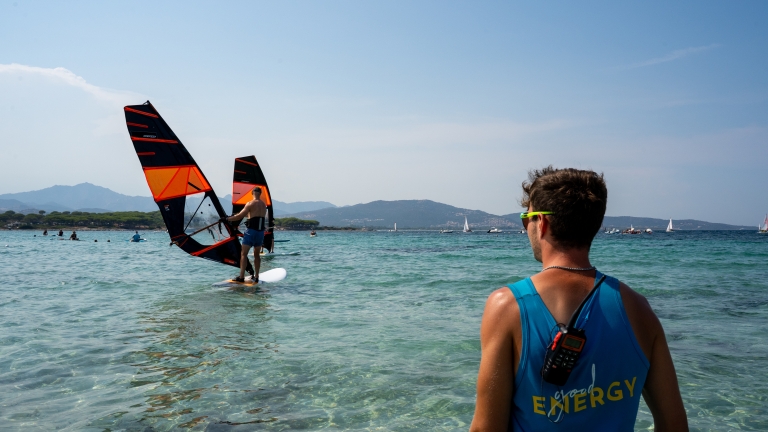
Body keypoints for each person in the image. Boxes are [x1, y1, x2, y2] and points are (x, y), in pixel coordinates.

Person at [470, 167, 687, 432]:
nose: (526, 226)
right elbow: (674, 424)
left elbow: (485, 429)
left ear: (542, 224)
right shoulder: (639, 309)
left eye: (526, 218)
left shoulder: (507, 307)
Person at [225, 186, 267, 283]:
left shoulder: (250, 203)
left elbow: (239, 216)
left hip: (251, 231)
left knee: (243, 254)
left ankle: (241, 277)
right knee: (257, 255)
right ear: (260, 194)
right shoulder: (263, 205)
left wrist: (227, 219)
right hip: (260, 233)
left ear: (252, 193)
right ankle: (256, 277)